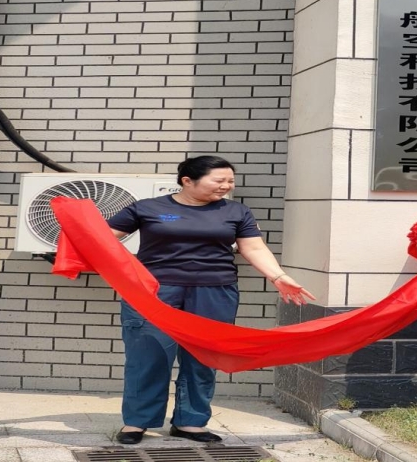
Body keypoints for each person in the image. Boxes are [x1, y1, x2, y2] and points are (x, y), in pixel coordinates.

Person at [107, 155, 314, 445]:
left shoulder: (236, 211)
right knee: (148, 357)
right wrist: (124, 269)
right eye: (219, 180)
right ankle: (136, 422)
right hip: (154, 293)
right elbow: (102, 238)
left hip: (214, 291)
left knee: (203, 358)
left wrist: (278, 276)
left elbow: (253, 248)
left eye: (230, 181)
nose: (226, 186)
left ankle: (191, 422)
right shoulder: (148, 208)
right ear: (187, 181)